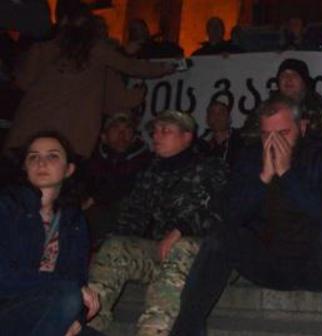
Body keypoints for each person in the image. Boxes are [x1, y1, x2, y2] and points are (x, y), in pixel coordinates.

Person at [170, 93, 322, 336]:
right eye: (268, 134)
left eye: (284, 133)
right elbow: (230, 214)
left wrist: (288, 174)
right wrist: (263, 179)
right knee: (221, 237)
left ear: (303, 126)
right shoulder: (251, 156)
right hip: (269, 262)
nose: (275, 141)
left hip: (315, 265)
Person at [87, 110, 227, 335]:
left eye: (166, 131)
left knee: (179, 247)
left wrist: (182, 229)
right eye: (155, 131)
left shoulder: (211, 167)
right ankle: (90, 325)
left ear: (187, 137)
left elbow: (223, 213)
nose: (157, 136)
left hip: (205, 256)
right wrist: (103, 246)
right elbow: (133, 217)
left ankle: (153, 331)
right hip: (163, 253)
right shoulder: (150, 173)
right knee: (114, 247)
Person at [3, 6, 174, 159]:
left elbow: (22, 82)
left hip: (29, 133)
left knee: (21, 185)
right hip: (72, 138)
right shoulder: (98, 52)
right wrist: (164, 69)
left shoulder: (42, 49)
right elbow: (131, 69)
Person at [0, 131, 101, 335]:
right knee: (68, 293)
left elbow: (77, 276)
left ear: (68, 169)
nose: (41, 162)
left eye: (52, 156)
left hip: (51, 309)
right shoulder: (6, 206)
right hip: (7, 311)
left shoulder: (74, 220)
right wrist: (68, 291)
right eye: (33, 156)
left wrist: (76, 319)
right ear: (25, 167)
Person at [240, 58, 322, 148]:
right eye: (283, 75)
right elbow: (246, 137)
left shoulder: (319, 108)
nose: (288, 79)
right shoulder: (266, 108)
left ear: (304, 82)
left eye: (294, 75)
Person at [83, 113, 152, 245]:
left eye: (127, 130)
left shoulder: (145, 161)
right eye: (115, 129)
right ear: (103, 136)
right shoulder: (92, 161)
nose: (122, 135)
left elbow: (128, 188)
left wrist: (95, 199)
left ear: (134, 137)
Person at [197, 100, 243, 167]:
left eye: (221, 113)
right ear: (207, 119)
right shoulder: (199, 145)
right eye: (212, 113)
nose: (217, 117)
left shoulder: (241, 140)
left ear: (229, 118)